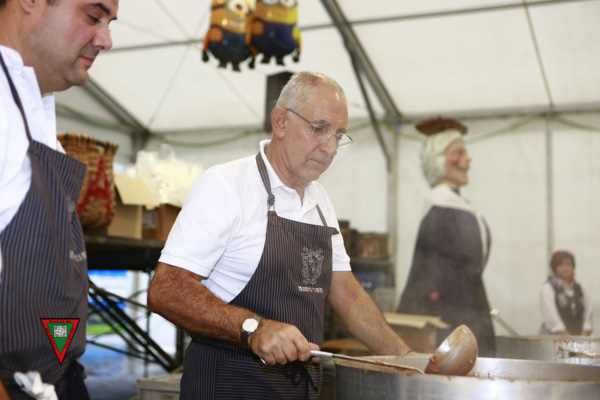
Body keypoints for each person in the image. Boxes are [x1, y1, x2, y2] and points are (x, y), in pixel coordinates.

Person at [147, 72, 411, 399]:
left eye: (339, 135)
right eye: (319, 128)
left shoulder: (319, 200)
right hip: (230, 389)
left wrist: (406, 360)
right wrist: (253, 328)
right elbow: (166, 289)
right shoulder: (226, 185)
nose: (330, 148)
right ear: (281, 122)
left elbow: (347, 293)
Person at [0, 1, 118, 398]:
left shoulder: (30, 102)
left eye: (110, 23)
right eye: (93, 16)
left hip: (56, 378)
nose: (106, 40)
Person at [396, 118, 496, 357]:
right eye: (458, 153)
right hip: (453, 319)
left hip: (468, 311)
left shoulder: (455, 205)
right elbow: (427, 275)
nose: (467, 160)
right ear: (438, 159)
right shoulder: (442, 208)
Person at [539, 250, 593, 336]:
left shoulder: (580, 289)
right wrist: (569, 340)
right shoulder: (548, 288)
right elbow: (552, 320)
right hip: (553, 339)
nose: (565, 268)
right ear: (554, 268)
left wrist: (582, 338)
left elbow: (588, 316)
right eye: (561, 265)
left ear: (573, 266)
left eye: (568, 264)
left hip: (578, 338)